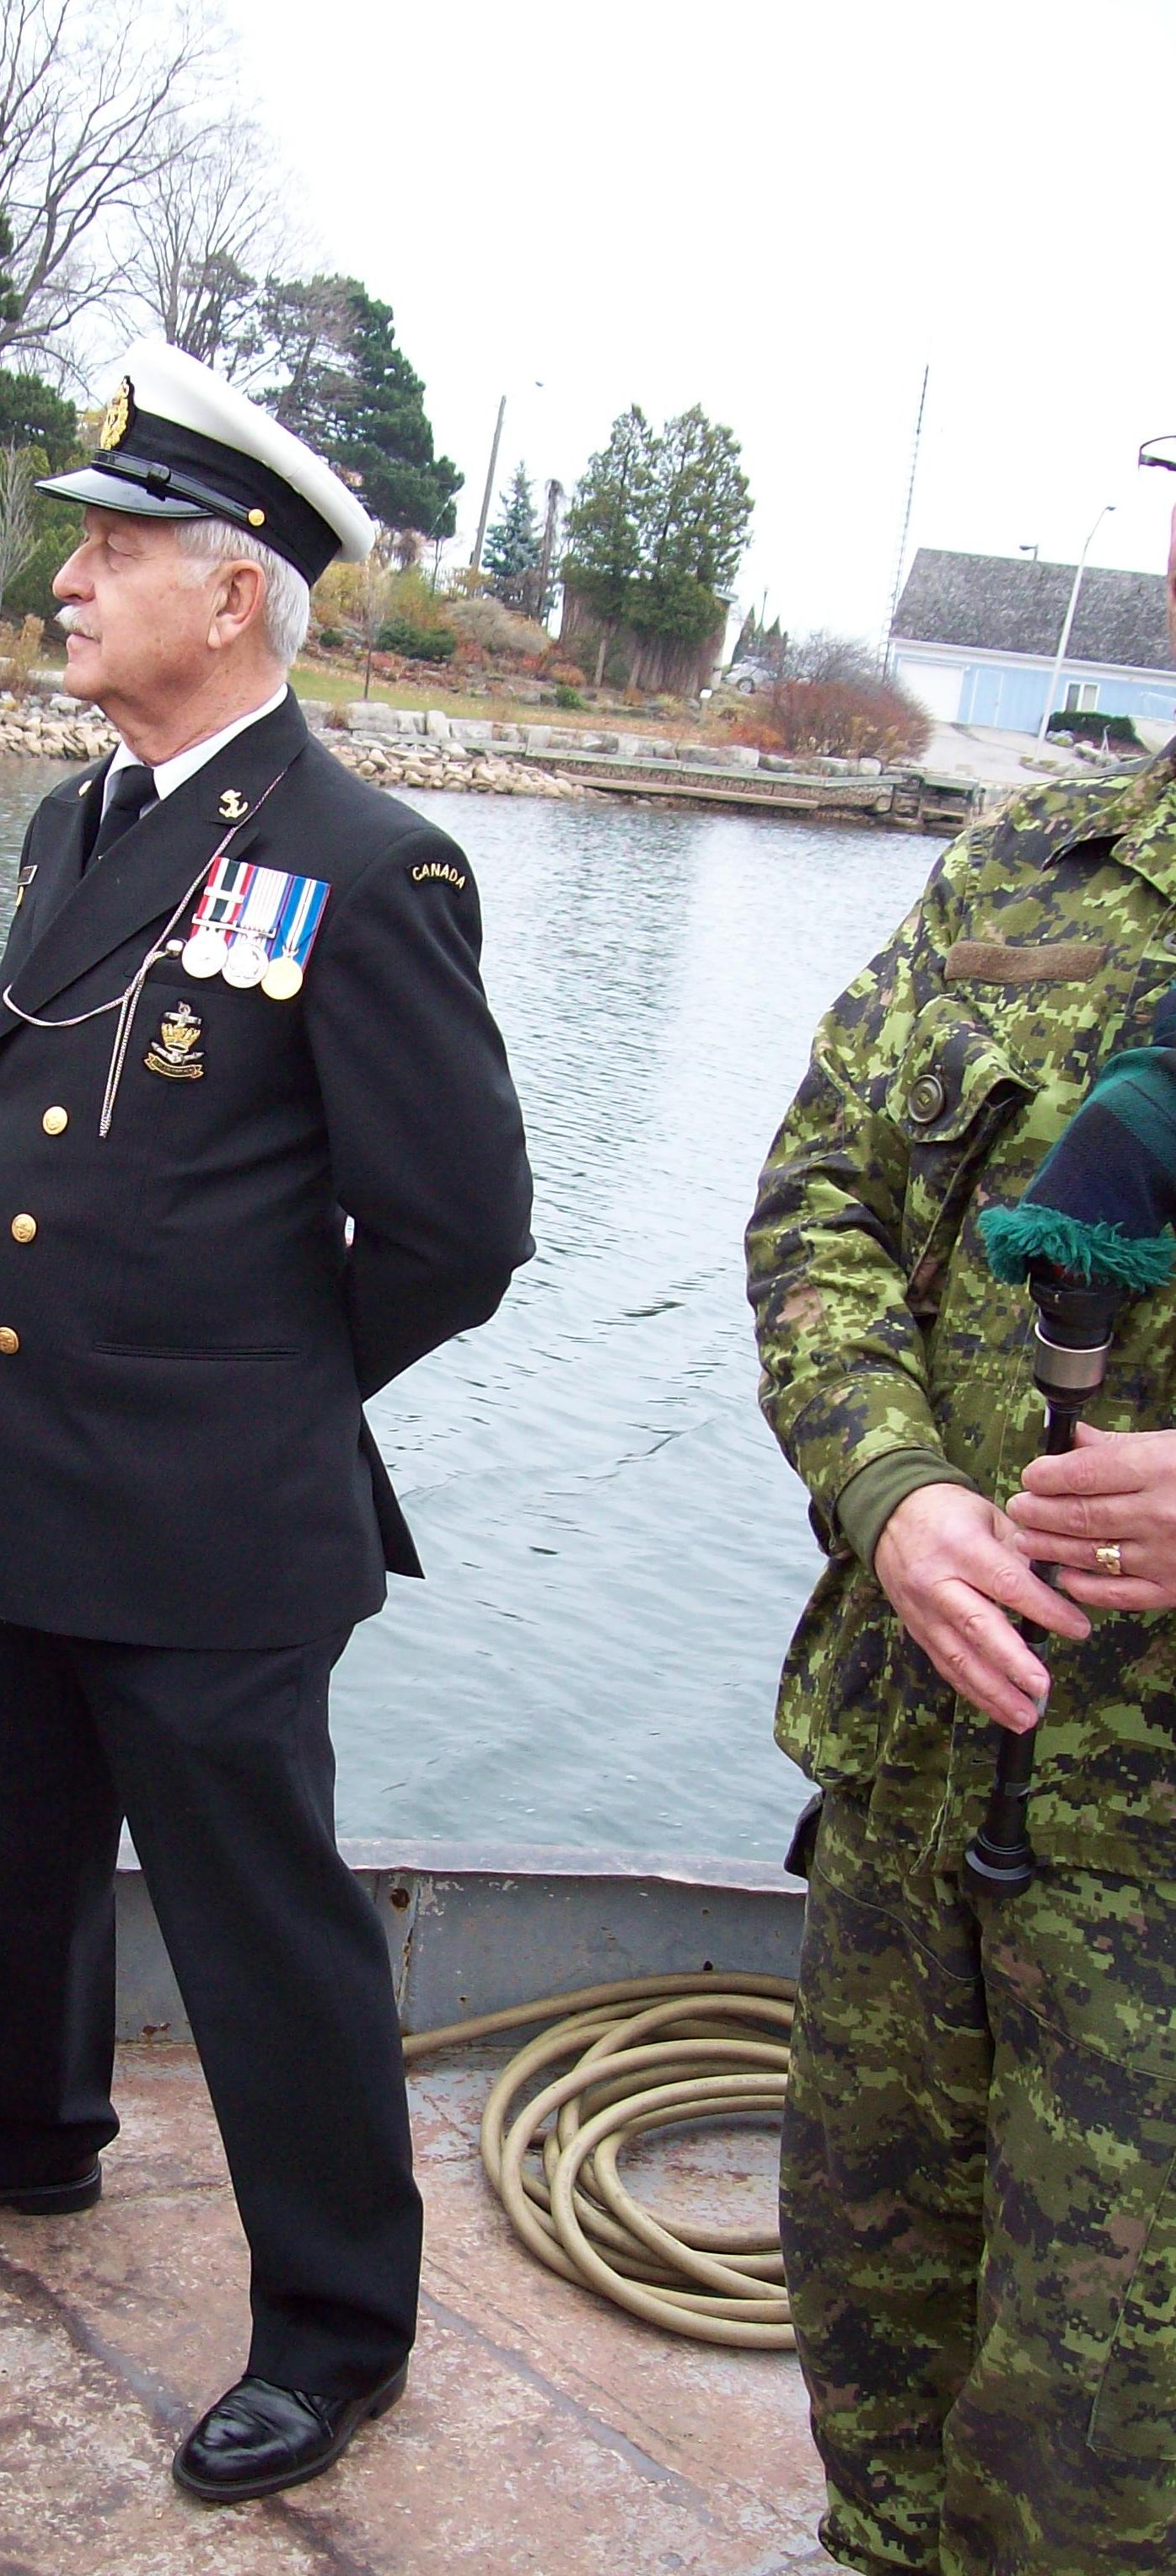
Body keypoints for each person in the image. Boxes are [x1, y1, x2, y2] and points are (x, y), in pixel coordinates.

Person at [0, 340, 534, 2502]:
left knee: (263, 1921)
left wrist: (251, 1379)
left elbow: (457, 1229)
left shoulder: (359, 857)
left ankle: (336, 2321)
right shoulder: (85, 816)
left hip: (208, 1501)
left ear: (235, 596)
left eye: (115, 547)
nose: (69, 576)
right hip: (20, 1456)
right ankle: (25, 2128)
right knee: (17, 1835)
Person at [745, 499, 1176, 2576]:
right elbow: (820, 1195)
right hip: (924, 1789)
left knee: (1105, 2463)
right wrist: (895, 1485)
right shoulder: (1031, 870)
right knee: (873, 2331)